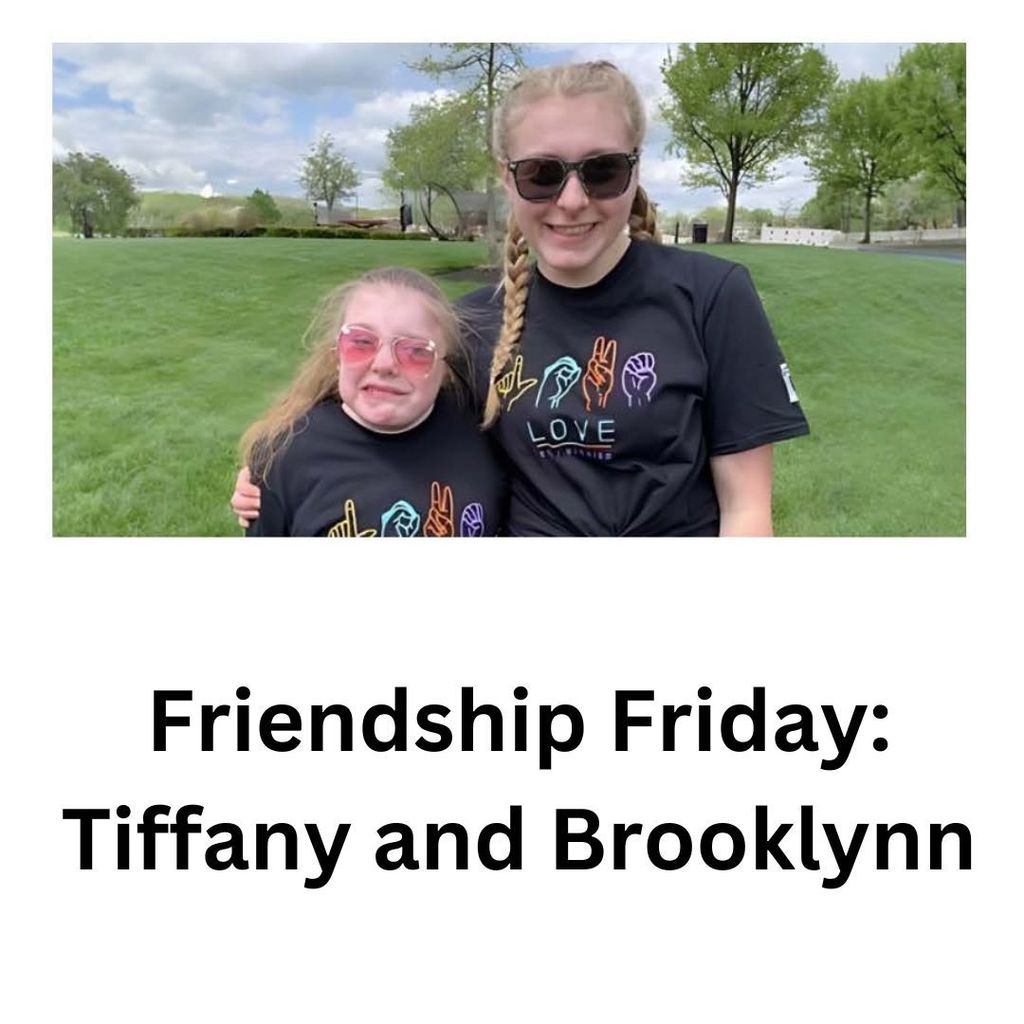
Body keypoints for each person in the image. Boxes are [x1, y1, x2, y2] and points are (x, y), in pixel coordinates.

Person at [234, 60, 808, 536]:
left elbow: (747, 508)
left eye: (602, 170)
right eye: (542, 174)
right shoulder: (475, 323)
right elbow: (378, 410)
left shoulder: (711, 296)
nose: (574, 199)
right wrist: (277, 470)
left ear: (635, 170)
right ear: (507, 178)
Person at [240, 266, 507, 536]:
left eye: (415, 351)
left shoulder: (482, 435)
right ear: (336, 355)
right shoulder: (285, 454)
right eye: (361, 342)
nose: (384, 364)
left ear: (446, 368)